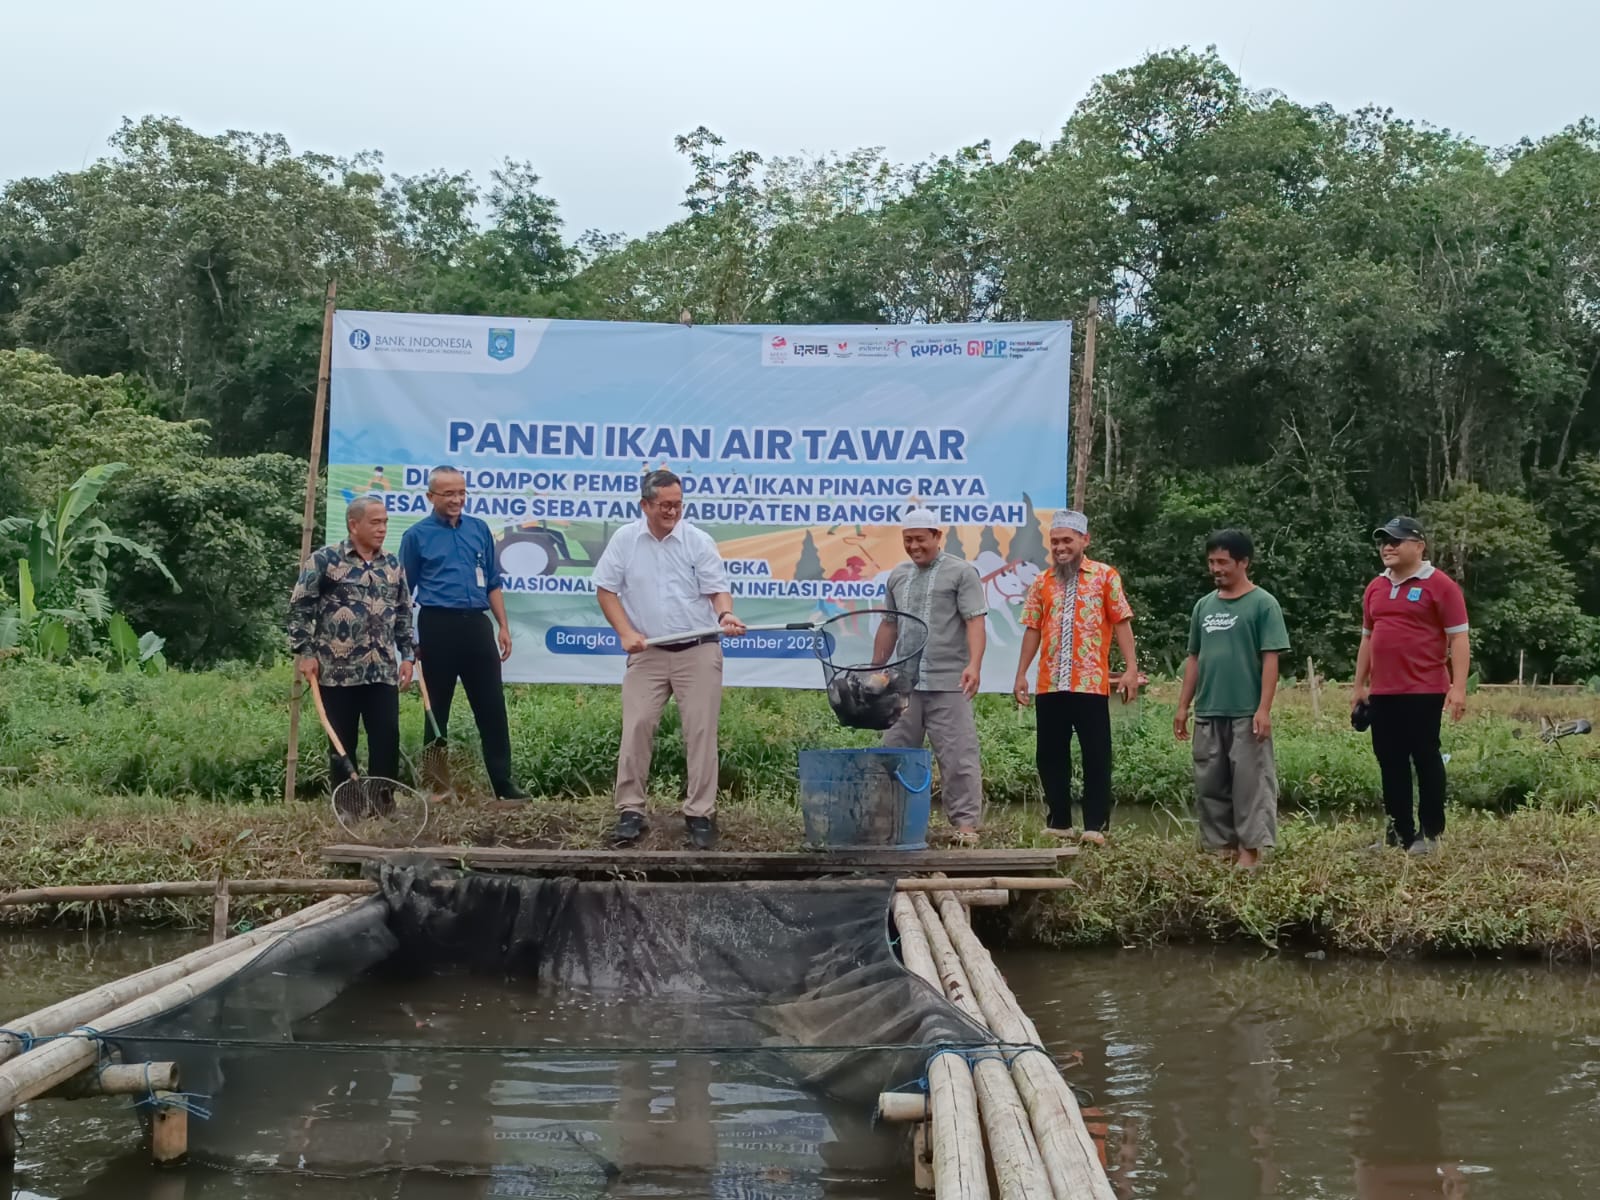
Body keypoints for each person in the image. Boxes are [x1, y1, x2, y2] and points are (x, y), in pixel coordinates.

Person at [593, 469, 745, 849]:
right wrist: (626, 633)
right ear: (645, 505)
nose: (672, 511)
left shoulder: (697, 541)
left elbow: (718, 592)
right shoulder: (625, 540)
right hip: (649, 652)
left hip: (699, 648)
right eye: (665, 505)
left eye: (677, 504)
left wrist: (725, 614)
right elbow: (606, 590)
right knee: (637, 726)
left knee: (700, 731)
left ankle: (700, 814)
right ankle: (630, 811)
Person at [398, 466, 528, 801]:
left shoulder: (479, 529)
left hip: (477, 626)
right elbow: (402, 594)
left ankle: (503, 782)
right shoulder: (416, 536)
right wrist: (408, 646)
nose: (457, 499)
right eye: (449, 494)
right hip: (437, 626)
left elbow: (493, 581)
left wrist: (503, 625)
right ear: (431, 497)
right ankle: (436, 783)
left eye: (462, 493)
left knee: (492, 707)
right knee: (436, 707)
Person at [1013, 510, 1139, 844]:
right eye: (1055, 541)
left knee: (1096, 753)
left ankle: (1096, 827)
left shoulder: (1105, 576)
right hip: (1050, 682)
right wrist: (1021, 674)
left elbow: (1122, 620)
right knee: (1050, 753)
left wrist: (1130, 668)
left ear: (1085, 540)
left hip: (1089, 683)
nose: (1060, 547)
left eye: (1067, 540)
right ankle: (1059, 822)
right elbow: (1032, 629)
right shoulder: (1042, 581)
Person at [1351, 516, 1470, 856]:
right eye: (1383, 540)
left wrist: (1458, 687)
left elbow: (1458, 637)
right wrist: (1359, 685)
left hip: (1424, 689)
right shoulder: (1375, 587)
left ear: (1419, 546)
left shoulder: (1441, 585)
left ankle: (1430, 833)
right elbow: (1367, 639)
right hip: (1383, 692)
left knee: (1426, 758)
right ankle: (1398, 832)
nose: (1387, 546)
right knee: (1390, 761)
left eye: (1396, 540)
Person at [1173, 529, 1290, 868]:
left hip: (1246, 711)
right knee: (1210, 781)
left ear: (1243, 562)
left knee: (1250, 783)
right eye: (1211, 562)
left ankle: (1249, 851)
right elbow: (1194, 657)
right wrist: (1183, 706)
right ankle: (1221, 846)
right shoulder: (1203, 606)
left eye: (1223, 562)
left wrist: (1264, 709)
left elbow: (1271, 659)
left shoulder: (1263, 604)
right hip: (1209, 710)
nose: (1216, 569)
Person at [872, 508, 989, 843]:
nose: (914, 546)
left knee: (957, 757)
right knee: (894, 752)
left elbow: (975, 620)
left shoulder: (962, 572)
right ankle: (891, 825)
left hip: (948, 680)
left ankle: (965, 827)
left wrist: (974, 666)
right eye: (908, 539)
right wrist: (877, 666)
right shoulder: (898, 575)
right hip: (904, 684)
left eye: (920, 539)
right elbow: (888, 624)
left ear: (938, 536)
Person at [288, 494, 415, 785]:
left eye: (385, 522)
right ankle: (347, 803)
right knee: (341, 741)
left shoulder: (392, 564)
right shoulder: (325, 560)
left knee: (386, 737)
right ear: (353, 525)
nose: (382, 528)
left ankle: (384, 801)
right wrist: (306, 652)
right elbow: (299, 609)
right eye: (375, 522)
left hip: (381, 669)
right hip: (336, 671)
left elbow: (404, 611)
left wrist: (407, 655)